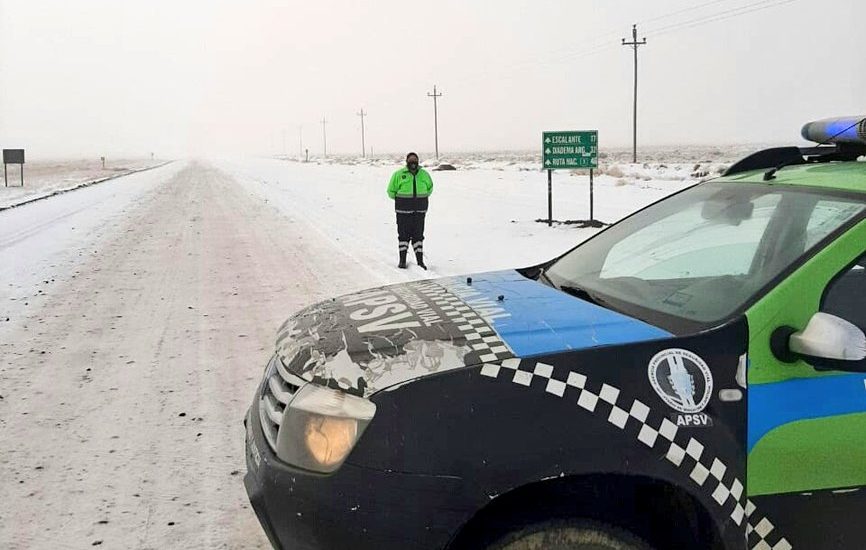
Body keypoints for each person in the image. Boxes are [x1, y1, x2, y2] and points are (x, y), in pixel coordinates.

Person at [387, 152, 433, 269]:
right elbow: (391, 191)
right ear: (406, 162)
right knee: (403, 236)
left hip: (420, 211)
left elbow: (429, 188)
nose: (413, 163)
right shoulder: (398, 175)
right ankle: (402, 260)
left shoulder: (424, 175)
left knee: (418, 236)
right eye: (411, 160)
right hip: (403, 212)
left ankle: (420, 261)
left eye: (415, 160)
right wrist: (402, 201)